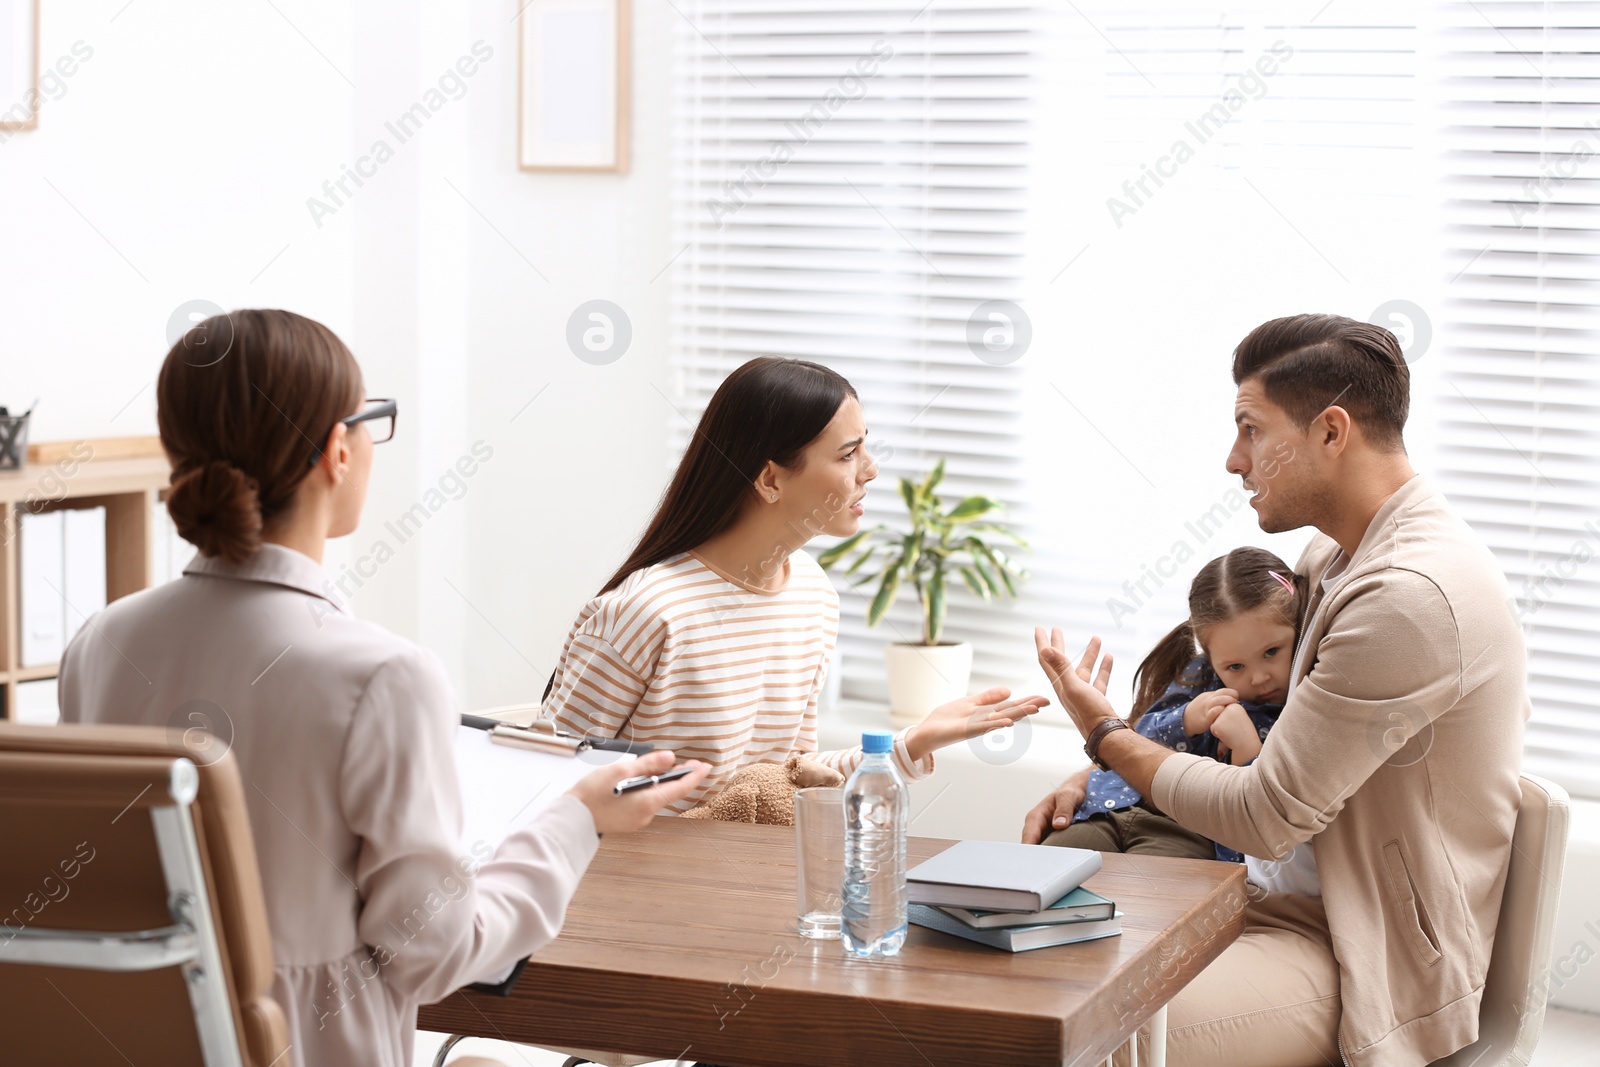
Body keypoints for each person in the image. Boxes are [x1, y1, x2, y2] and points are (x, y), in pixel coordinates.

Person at [58, 309, 710, 1067]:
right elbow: (431, 952)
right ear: (338, 449)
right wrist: (577, 821)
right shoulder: (380, 675)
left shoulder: (99, 644)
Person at [1023, 313, 1527, 1067]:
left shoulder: (1412, 596)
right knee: (1006, 973)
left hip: (1354, 942)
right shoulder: (1335, 554)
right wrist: (1092, 774)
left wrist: (1107, 737)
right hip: (1259, 892)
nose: (1234, 460)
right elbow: (1233, 697)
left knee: (1091, 1030)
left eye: (1251, 429)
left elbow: (1266, 815)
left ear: (1330, 432)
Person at [540, 355, 1048, 813]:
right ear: (770, 480)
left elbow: (789, 782)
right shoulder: (647, 613)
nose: (870, 471)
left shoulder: (811, 594)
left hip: (750, 876)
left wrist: (913, 744)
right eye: (848, 454)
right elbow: (542, 790)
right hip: (645, 891)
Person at [1042, 546, 1303, 862]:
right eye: (1235, 667)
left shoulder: (1303, 710)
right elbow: (1137, 738)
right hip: (1109, 804)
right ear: (1210, 656)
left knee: (1155, 898)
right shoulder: (1200, 676)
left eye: (1271, 652)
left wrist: (1247, 749)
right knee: (1043, 870)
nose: (1259, 678)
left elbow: (1260, 815)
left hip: (1187, 830)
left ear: (1299, 627)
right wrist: (1187, 719)